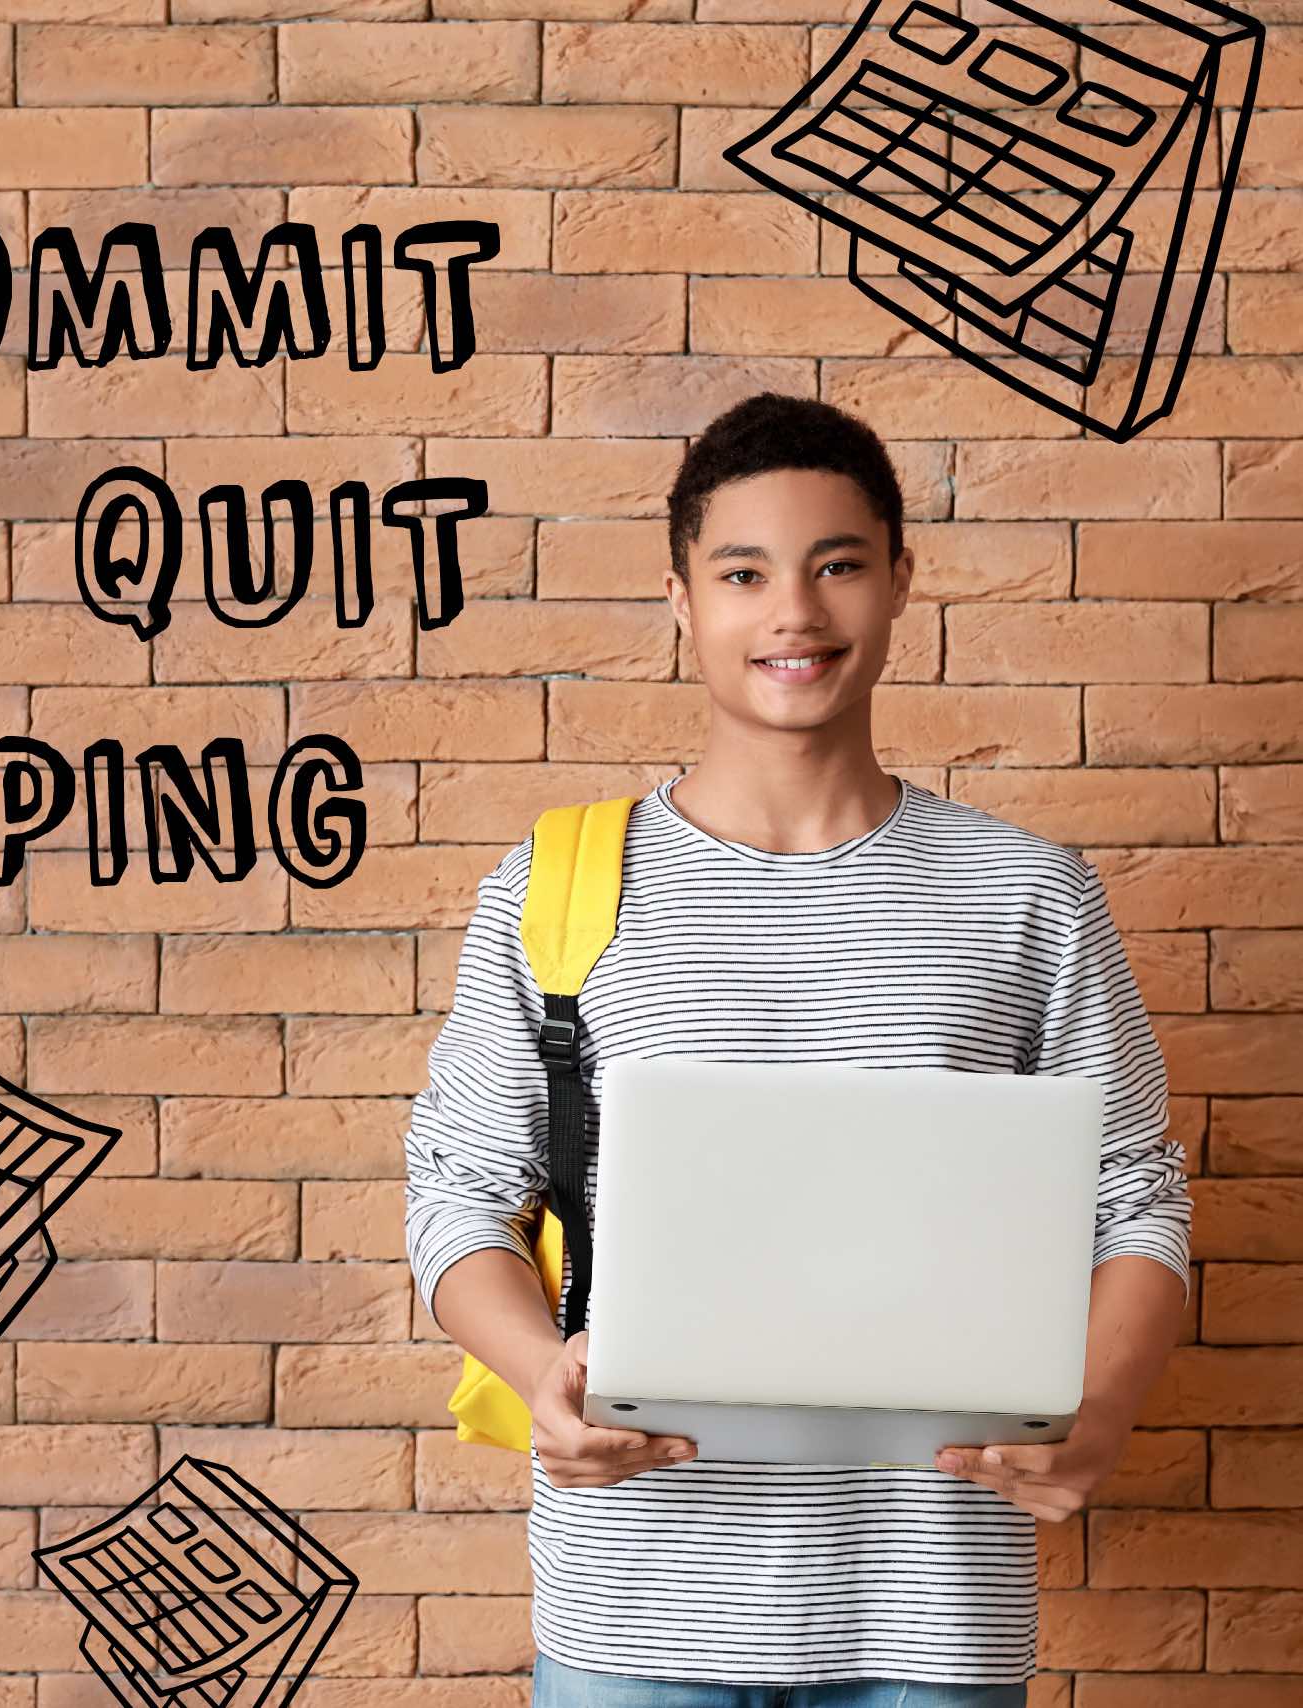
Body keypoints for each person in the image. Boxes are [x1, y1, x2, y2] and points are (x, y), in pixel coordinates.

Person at [402, 392, 1193, 1708]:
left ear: (898, 582)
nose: (795, 615)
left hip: (931, 1615)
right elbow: (457, 1191)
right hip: (633, 1610)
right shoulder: (558, 885)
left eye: (838, 566)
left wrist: (1102, 1408)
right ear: (680, 598)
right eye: (744, 573)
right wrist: (546, 1378)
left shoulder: (1029, 895)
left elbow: (1137, 1200)